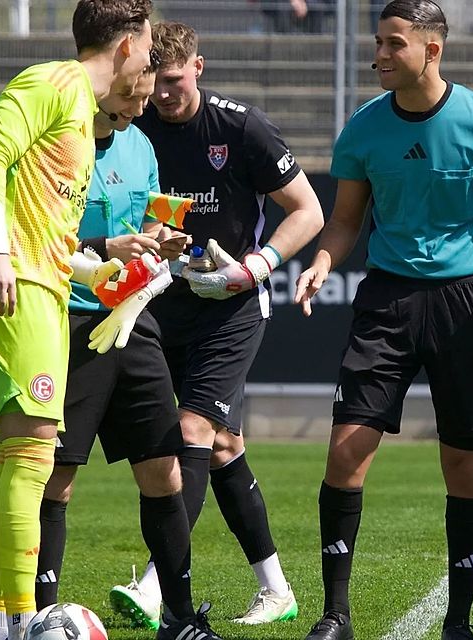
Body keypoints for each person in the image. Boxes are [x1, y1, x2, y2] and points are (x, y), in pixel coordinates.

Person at [292, 2, 473, 639]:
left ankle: (459, 621)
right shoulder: (364, 127)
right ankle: (335, 615)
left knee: (464, 468)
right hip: (387, 301)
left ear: (433, 50)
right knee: (346, 451)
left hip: (466, 305)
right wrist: (321, 262)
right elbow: (344, 222)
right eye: (378, 41)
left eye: (394, 43)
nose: (379, 54)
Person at [108, 19, 325, 628]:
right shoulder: (135, 126)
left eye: (175, 80)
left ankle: (156, 585)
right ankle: (276, 590)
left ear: (198, 69)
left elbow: (308, 211)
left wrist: (254, 267)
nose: (163, 93)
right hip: (160, 305)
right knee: (223, 445)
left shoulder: (241, 128)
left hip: (231, 309)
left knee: (193, 429)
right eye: (155, 80)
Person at [0, 2, 152, 639]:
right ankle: (19, 622)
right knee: (31, 456)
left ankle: (4, 621)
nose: (149, 66)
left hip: (42, 285)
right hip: (16, 287)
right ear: (126, 46)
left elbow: (48, 231)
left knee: (21, 457)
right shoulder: (50, 82)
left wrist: (95, 274)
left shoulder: (83, 115)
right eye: (148, 48)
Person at [31, 56, 227, 640]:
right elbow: (41, 237)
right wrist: (106, 244)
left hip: (134, 322)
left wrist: (162, 241)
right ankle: (38, 617)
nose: (145, 108)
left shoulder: (140, 145)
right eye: (138, 96)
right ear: (112, 83)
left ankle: (180, 619)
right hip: (71, 324)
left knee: (164, 472)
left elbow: (148, 222)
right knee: (57, 478)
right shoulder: (60, 143)